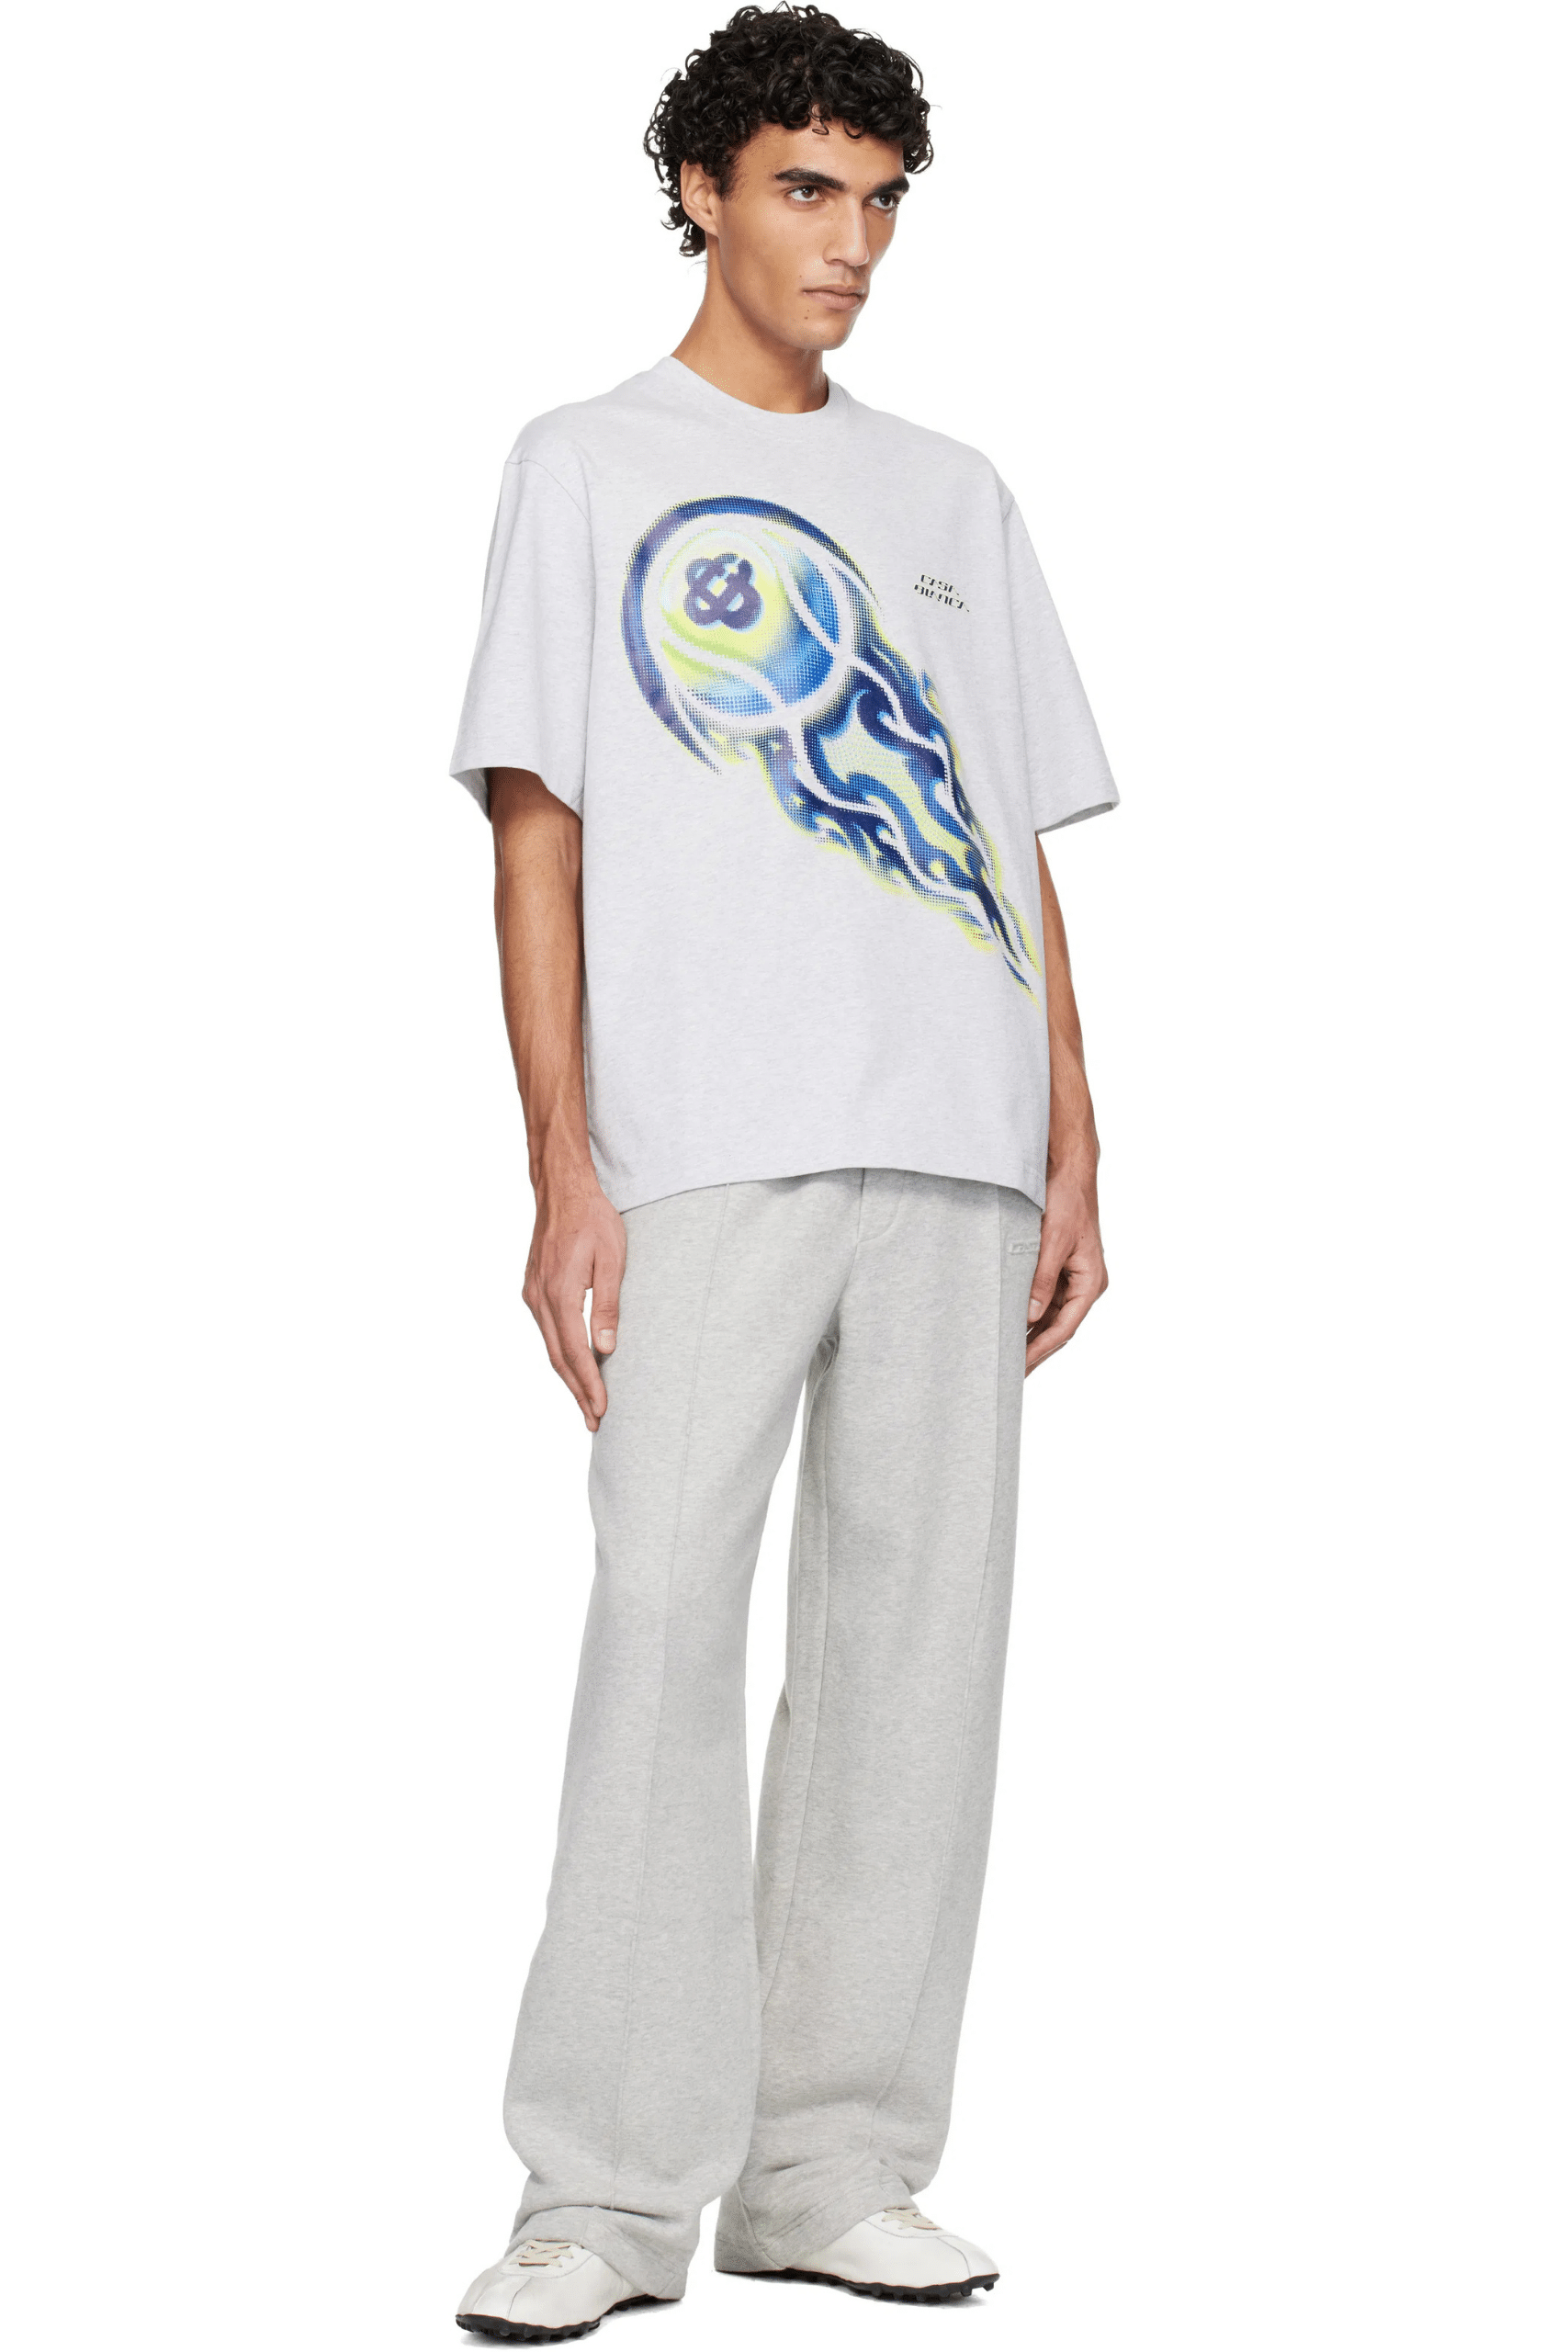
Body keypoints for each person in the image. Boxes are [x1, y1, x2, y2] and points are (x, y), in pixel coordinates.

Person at [449, 6, 1117, 2337]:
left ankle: (831, 2164)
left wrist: (1072, 1126)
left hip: (953, 1136)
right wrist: (560, 1165)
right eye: (808, 190)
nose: (851, 242)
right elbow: (537, 836)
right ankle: (602, 2193)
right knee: (659, 1622)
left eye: (881, 200)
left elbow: (1007, 837)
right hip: (704, 1138)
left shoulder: (952, 493)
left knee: (915, 1651)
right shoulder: (584, 462)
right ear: (703, 194)